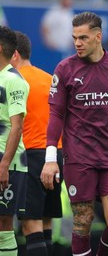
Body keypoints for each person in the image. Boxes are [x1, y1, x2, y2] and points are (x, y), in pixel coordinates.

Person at [40, 11, 108, 256]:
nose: (77, 43)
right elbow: (55, 116)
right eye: (75, 38)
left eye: (83, 38)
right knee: (83, 220)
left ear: (98, 37)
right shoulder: (65, 69)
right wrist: (50, 160)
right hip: (79, 157)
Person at [10, 31, 63, 256]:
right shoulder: (49, 79)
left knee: (30, 224)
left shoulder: (15, 81)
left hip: (30, 154)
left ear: (14, 55)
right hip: (55, 155)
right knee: (46, 221)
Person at [0, 25, 29, 256]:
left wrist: (3, 165)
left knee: (3, 224)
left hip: (7, 162)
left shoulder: (14, 80)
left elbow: (17, 126)